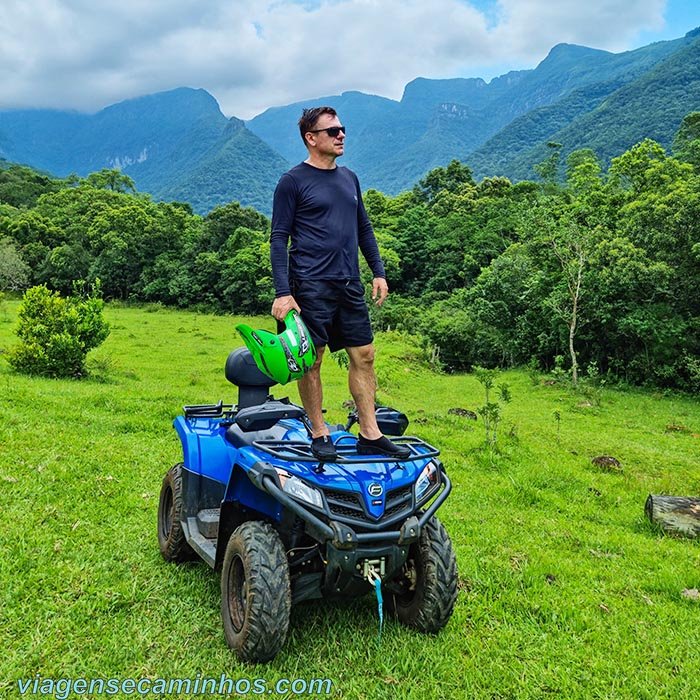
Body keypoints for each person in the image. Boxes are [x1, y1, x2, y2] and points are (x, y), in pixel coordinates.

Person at [270, 106, 410, 461]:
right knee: (311, 361)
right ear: (311, 138)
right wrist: (283, 293)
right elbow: (278, 238)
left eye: (342, 129)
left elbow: (363, 227)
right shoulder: (293, 181)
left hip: (348, 283)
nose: (341, 135)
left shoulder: (350, 178)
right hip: (309, 284)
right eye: (332, 131)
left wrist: (378, 271)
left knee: (364, 355)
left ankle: (370, 432)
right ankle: (318, 432)